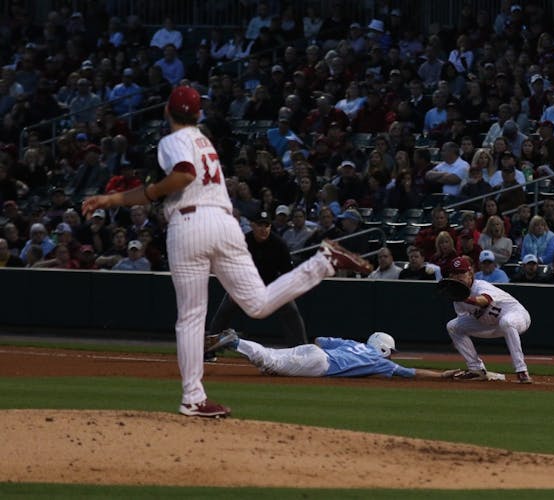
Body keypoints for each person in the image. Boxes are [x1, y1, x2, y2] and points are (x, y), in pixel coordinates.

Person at [82, 85, 372, 419]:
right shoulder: (204, 141)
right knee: (259, 303)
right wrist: (112, 199)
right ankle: (323, 262)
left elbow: (184, 174)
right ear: (198, 113)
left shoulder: (174, 139)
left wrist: (150, 191)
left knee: (191, 316)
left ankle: (194, 396)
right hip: (225, 223)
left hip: (190, 224)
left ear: (167, 112)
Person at [207, 210, 309, 352]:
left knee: (291, 310)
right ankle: (210, 349)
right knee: (224, 310)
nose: (264, 229)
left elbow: (288, 272)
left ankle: (302, 351)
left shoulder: (278, 244)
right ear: (252, 225)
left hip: (271, 285)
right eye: (260, 225)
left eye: (267, 225)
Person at [206, 330, 457, 379]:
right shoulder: (380, 362)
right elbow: (411, 373)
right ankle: (236, 341)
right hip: (320, 364)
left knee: (271, 361)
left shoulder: (353, 343)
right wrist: (442, 375)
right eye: (390, 352)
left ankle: (236, 342)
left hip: (314, 350)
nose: (391, 356)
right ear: (383, 349)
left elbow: (319, 339)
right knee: (271, 361)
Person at [443, 256, 532, 383]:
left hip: (517, 316)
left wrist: (464, 298)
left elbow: (484, 300)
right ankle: (476, 370)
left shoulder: (480, 286)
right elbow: (462, 319)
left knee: (506, 322)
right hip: (490, 324)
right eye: (455, 273)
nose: (459, 277)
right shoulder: (458, 299)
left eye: (462, 272)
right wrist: (458, 339)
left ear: (470, 273)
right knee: (453, 326)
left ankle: (521, 370)